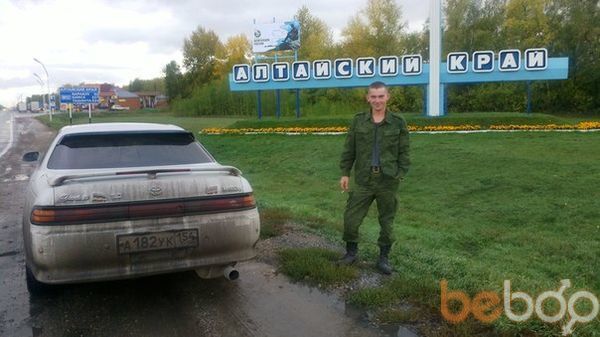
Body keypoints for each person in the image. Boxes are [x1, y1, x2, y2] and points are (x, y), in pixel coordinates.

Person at [338, 81, 410, 274]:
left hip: (388, 180)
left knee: (387, 223)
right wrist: (345, 172)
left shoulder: (398, 122)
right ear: (368, 98)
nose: (377, 100)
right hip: (363, 179)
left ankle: (383, 259)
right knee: (351, 219)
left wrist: (400, 174)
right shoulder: (358, 121)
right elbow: (349, 148)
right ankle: (351, 253)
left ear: (387, 97)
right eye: (373, 96)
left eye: (381, 96)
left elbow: (404, 151)